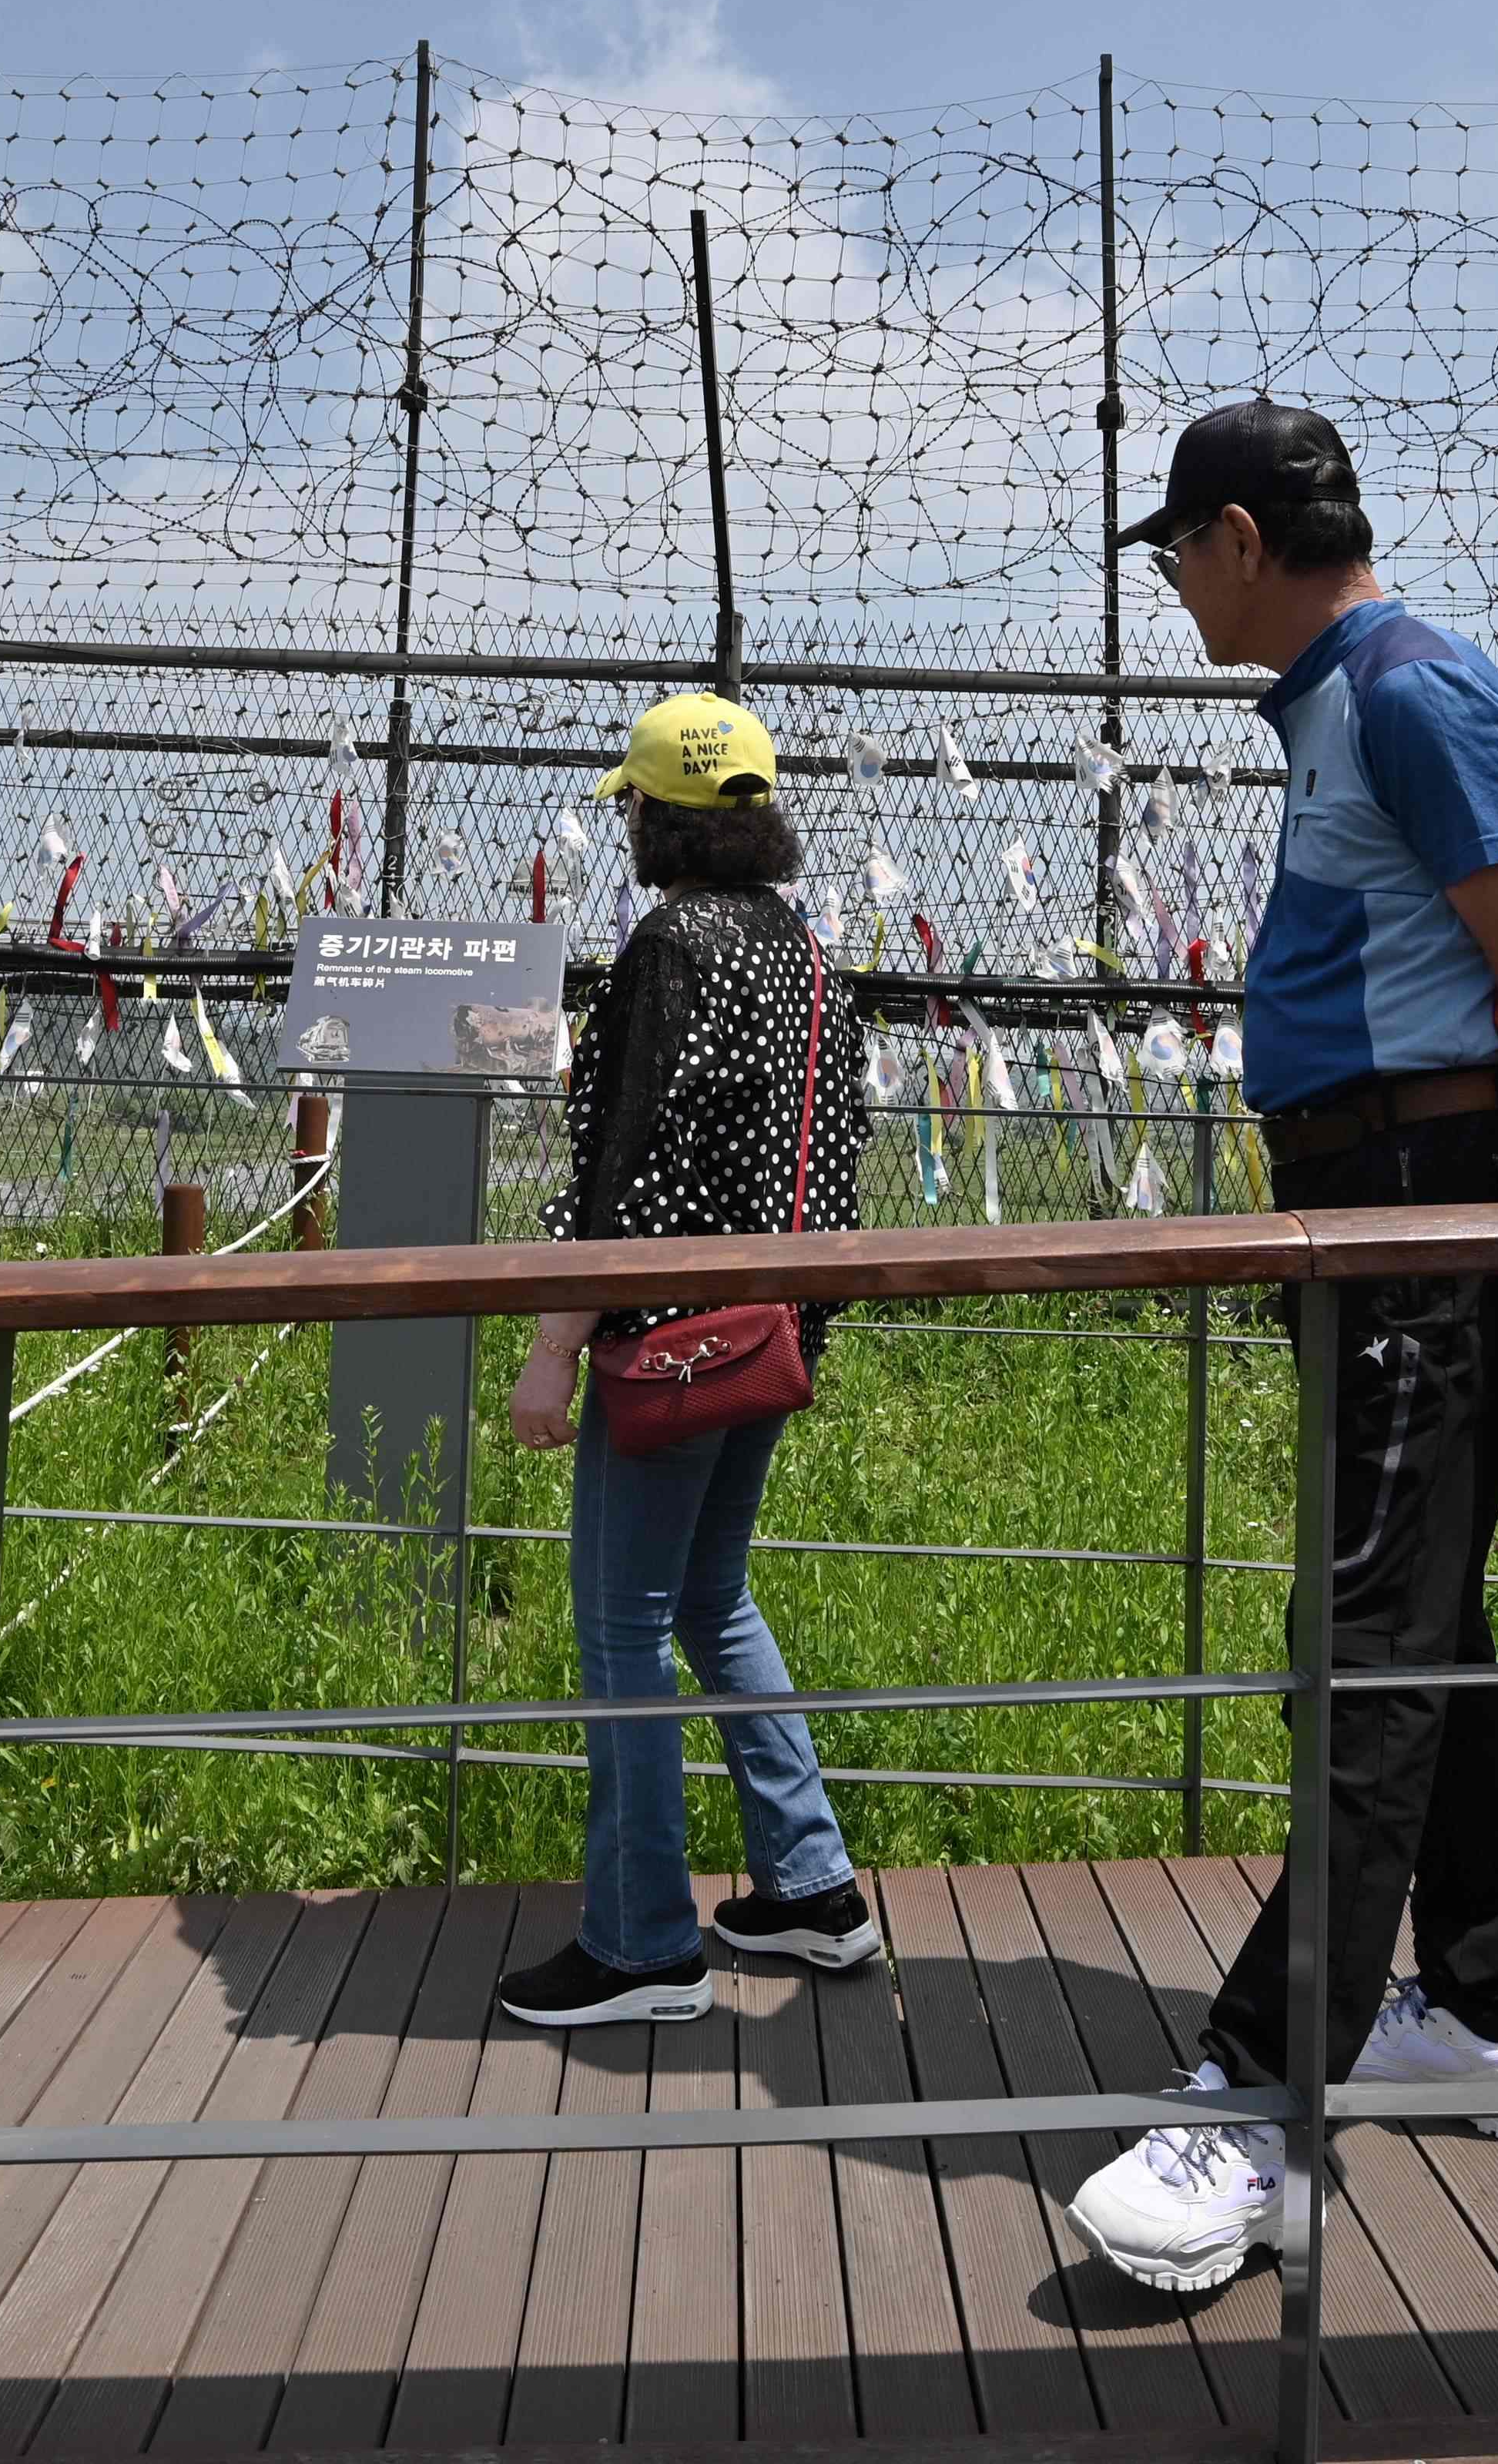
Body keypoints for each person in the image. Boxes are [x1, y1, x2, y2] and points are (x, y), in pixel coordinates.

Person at [1067, 401, 1498, 2292]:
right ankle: (1486, 2002)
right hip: (1364, 1201)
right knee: (1412, 1609)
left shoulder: (1408, 688)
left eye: (1174, 549)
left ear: (1240, 536)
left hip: (1417, 1203)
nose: (1169, 584)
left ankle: (1260, 2092)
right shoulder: (1334, 703)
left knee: (1365, 1639)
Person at [498, 690, 882, 2027]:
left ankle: (641, 1942)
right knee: (713, 1595)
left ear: (659, 817)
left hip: (666, 1343)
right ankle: (813, 1887)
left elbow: (623, 1169)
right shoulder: (802, 948)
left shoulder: (671, 947)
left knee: (623, 1620)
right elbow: (833, 1150)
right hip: (768, 1330)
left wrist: (555, 1344)